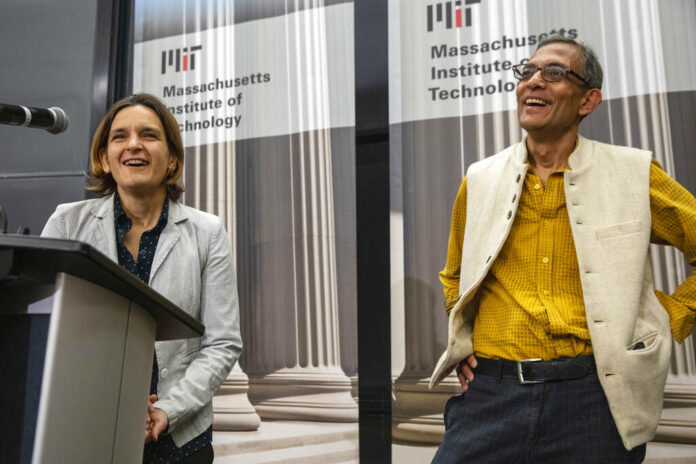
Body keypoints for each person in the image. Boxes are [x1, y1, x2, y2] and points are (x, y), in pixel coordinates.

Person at [431, 37, 696, 463]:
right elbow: (454, 274)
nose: (534, 82)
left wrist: (668, 318)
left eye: (554, 73)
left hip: (594, 399)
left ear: (588, 101)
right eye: (527, 72)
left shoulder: (632, 173)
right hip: (491, 397)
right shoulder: (480, 179)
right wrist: (465, 340)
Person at [42, 93, 241, 463]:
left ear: (172, 158)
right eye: (119, 136)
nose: (133, 144)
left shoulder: (207, 232)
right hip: (84, 427)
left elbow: (223, 343)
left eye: (149, 135)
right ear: (104, 157)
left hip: (180, 442)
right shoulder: (66, 224)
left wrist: (167, 409)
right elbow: (46, 330)